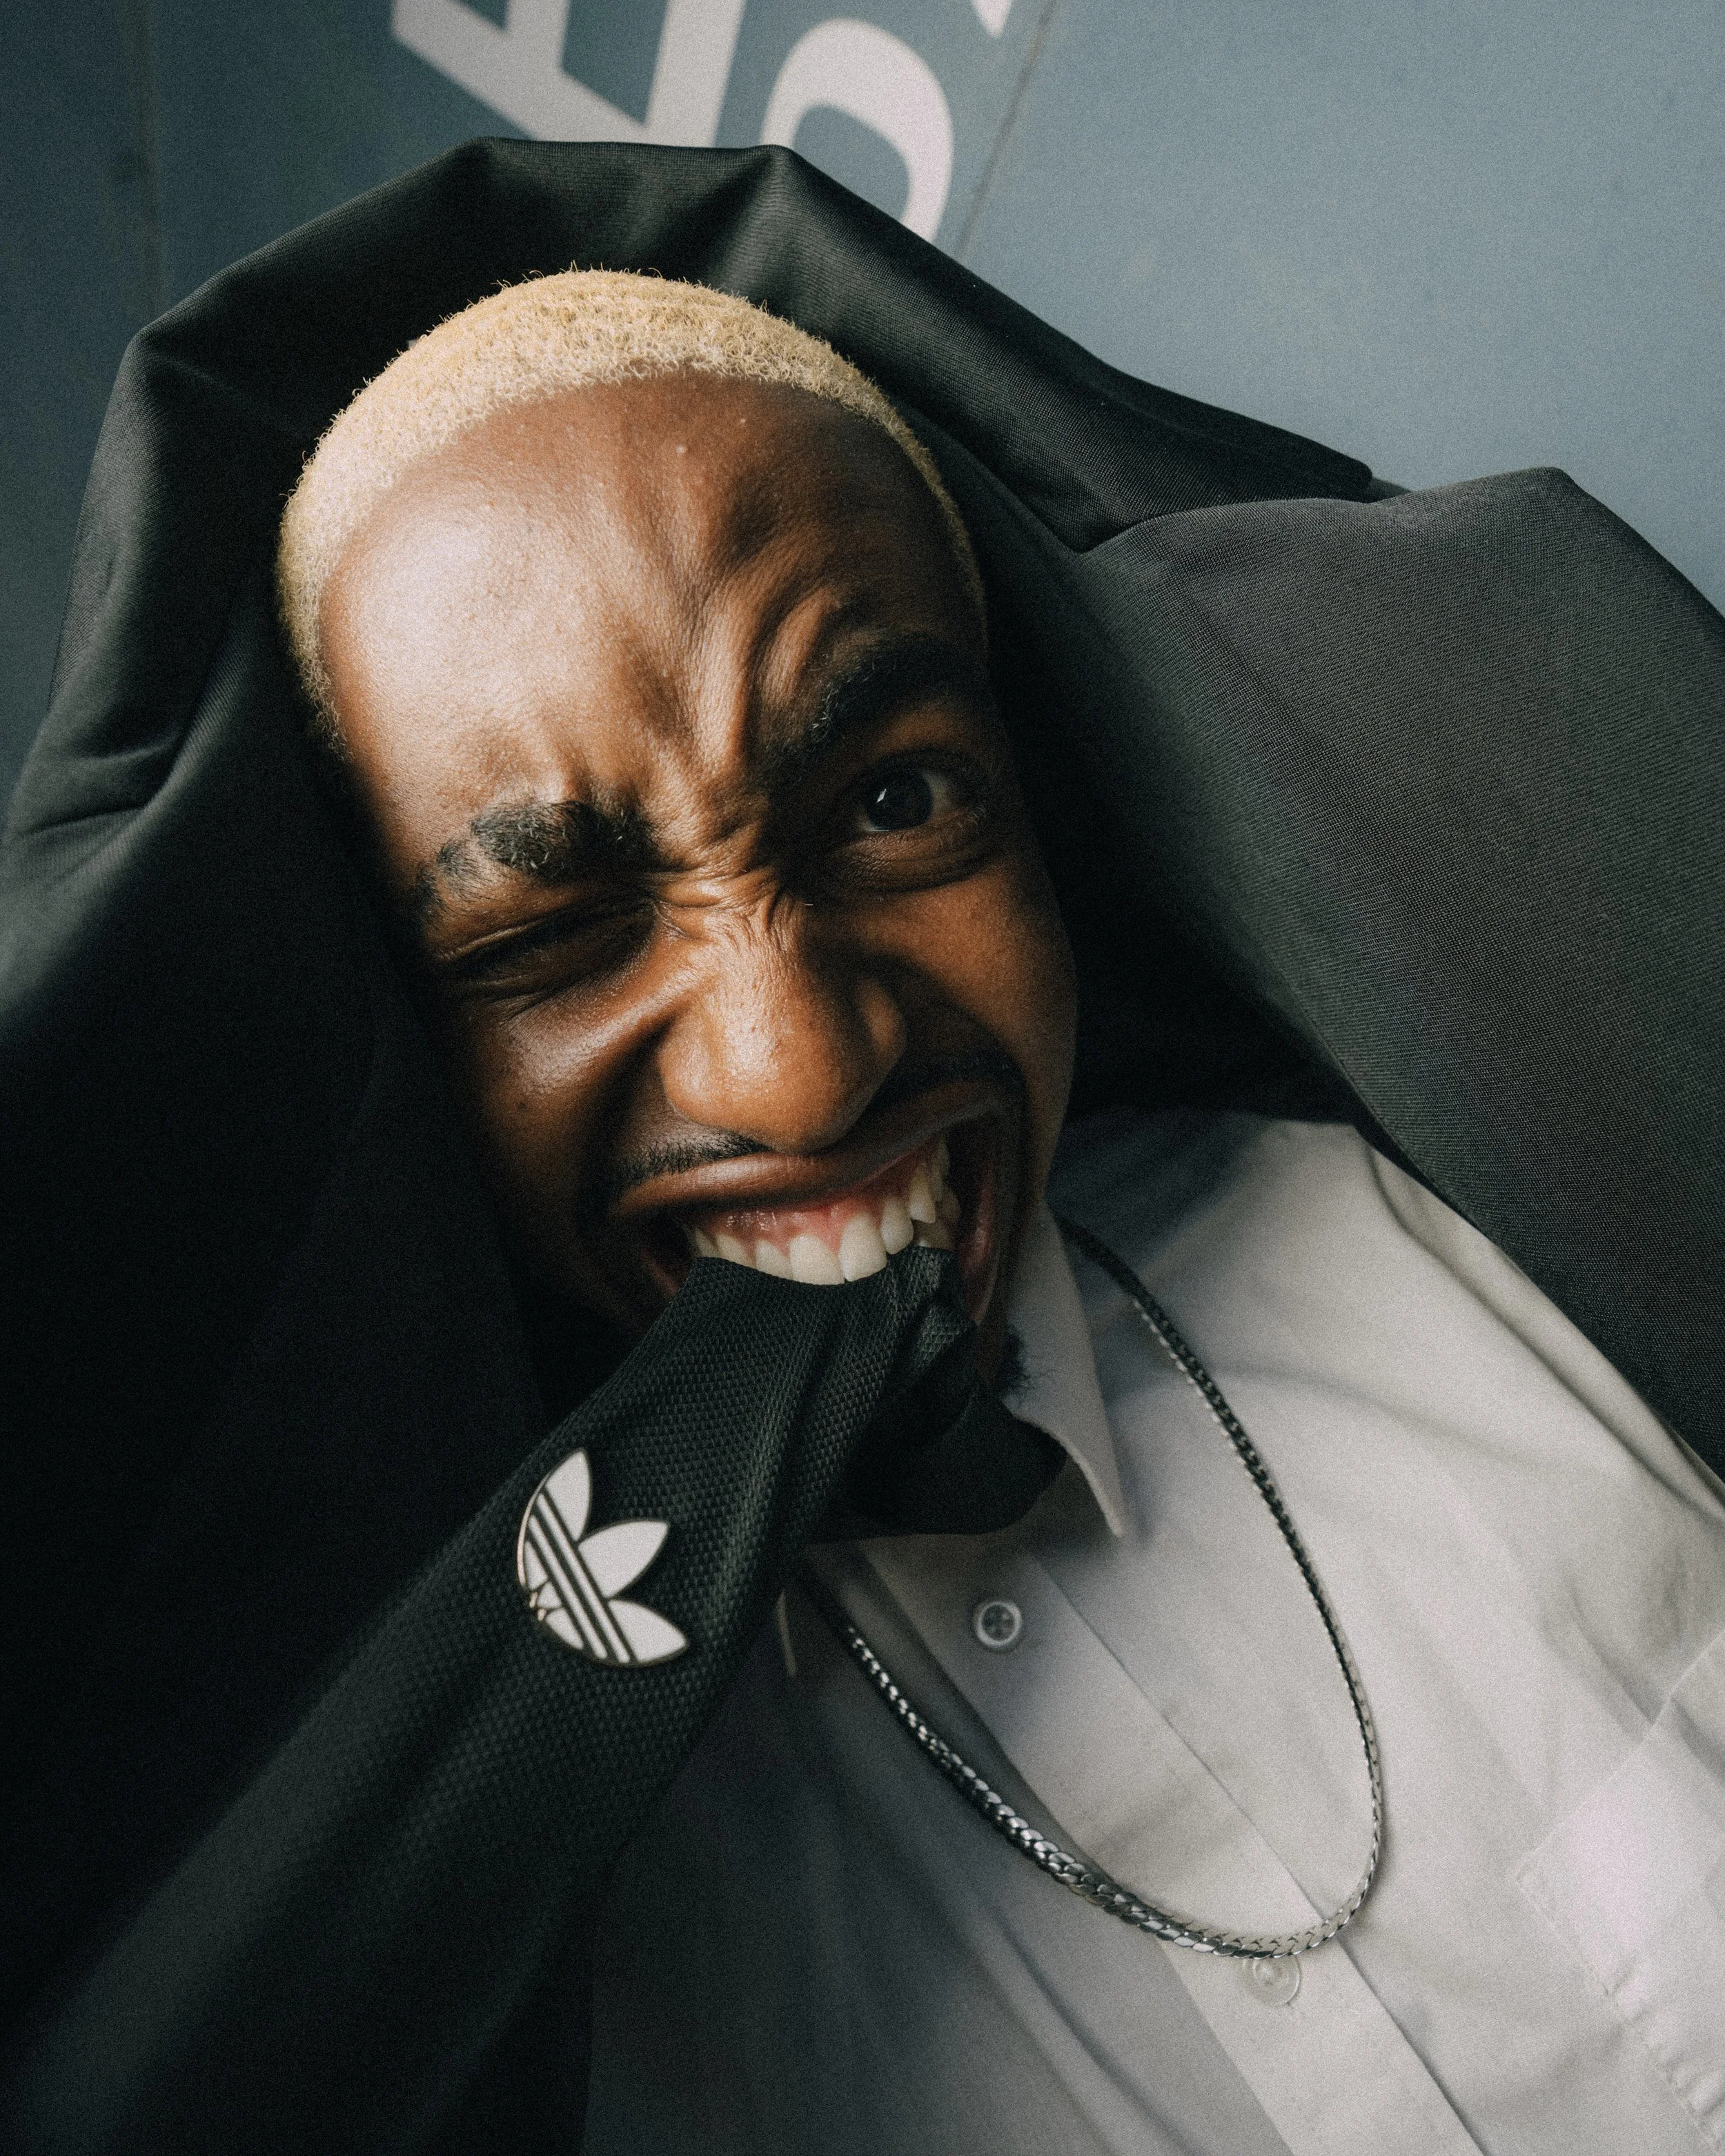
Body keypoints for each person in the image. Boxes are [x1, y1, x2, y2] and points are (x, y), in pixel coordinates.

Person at [1, 141, 1720, 2155]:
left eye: (896, 803)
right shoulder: (455, 1939)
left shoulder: (1492, 1258)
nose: (800, 1067)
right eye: (554, 934)